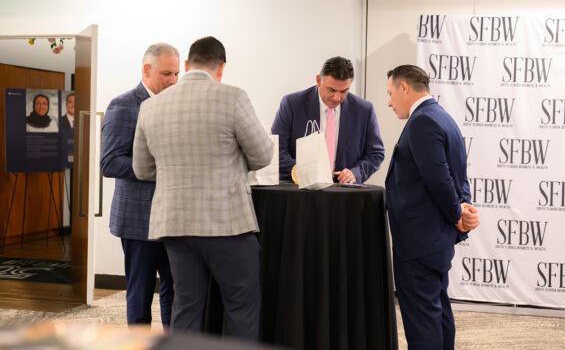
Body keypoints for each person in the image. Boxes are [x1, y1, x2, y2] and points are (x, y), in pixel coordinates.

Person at [132, 36, 273, 340]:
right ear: (221, 68)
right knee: (241, 305)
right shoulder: (233, 97)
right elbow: (262, 155)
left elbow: (141, 170)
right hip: (227, 224)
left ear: (186, 65)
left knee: (186, 305)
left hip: (175, 224)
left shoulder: (150, 107)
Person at [384, 64, 479, 349]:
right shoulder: (444, 118)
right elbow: (457, 177)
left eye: (390, 93)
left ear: (404, 88)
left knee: (422, 320)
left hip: (419, 244)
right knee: (437, 311)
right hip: (435, 241)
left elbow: (439, 180)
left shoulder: (423, 121)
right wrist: (463, 209)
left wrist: (457, 214)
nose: (388, 102)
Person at [100, 42, 180, 330]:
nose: (173, 81)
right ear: (147, 70)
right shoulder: (122, 105)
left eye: (176, 75)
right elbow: (109, 163)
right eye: (166, 74)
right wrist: (158, 169)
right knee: (141, 293)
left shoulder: (177, 106)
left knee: (176, 290)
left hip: (174, 218)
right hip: (137, 221)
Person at [271, 56, 384, 184]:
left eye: (344, 91)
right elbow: (275, 151)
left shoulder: (364, 110)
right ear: (318, 80)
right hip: (300, 192)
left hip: (345, 194)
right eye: (331, 90)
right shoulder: (292, 104)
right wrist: (302, 171)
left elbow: (375, 153)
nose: (337, 97)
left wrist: (355, 173)